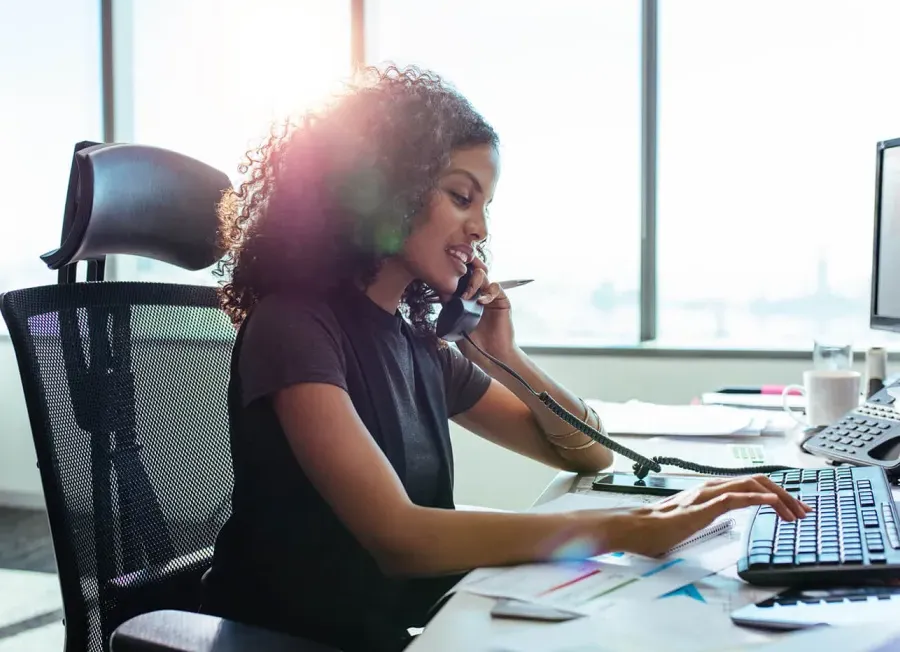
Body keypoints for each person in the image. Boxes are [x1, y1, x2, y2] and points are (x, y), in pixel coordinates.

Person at [202, 65, 810, 652]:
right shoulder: (294, 326)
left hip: (398, 628)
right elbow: (400, 539)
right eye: (462, 197)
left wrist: (503, 355)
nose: (480, 229)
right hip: (301, 639)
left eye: (484, 205)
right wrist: (632, 528)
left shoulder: (417, 342)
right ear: (387, 191)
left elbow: (584, 450)